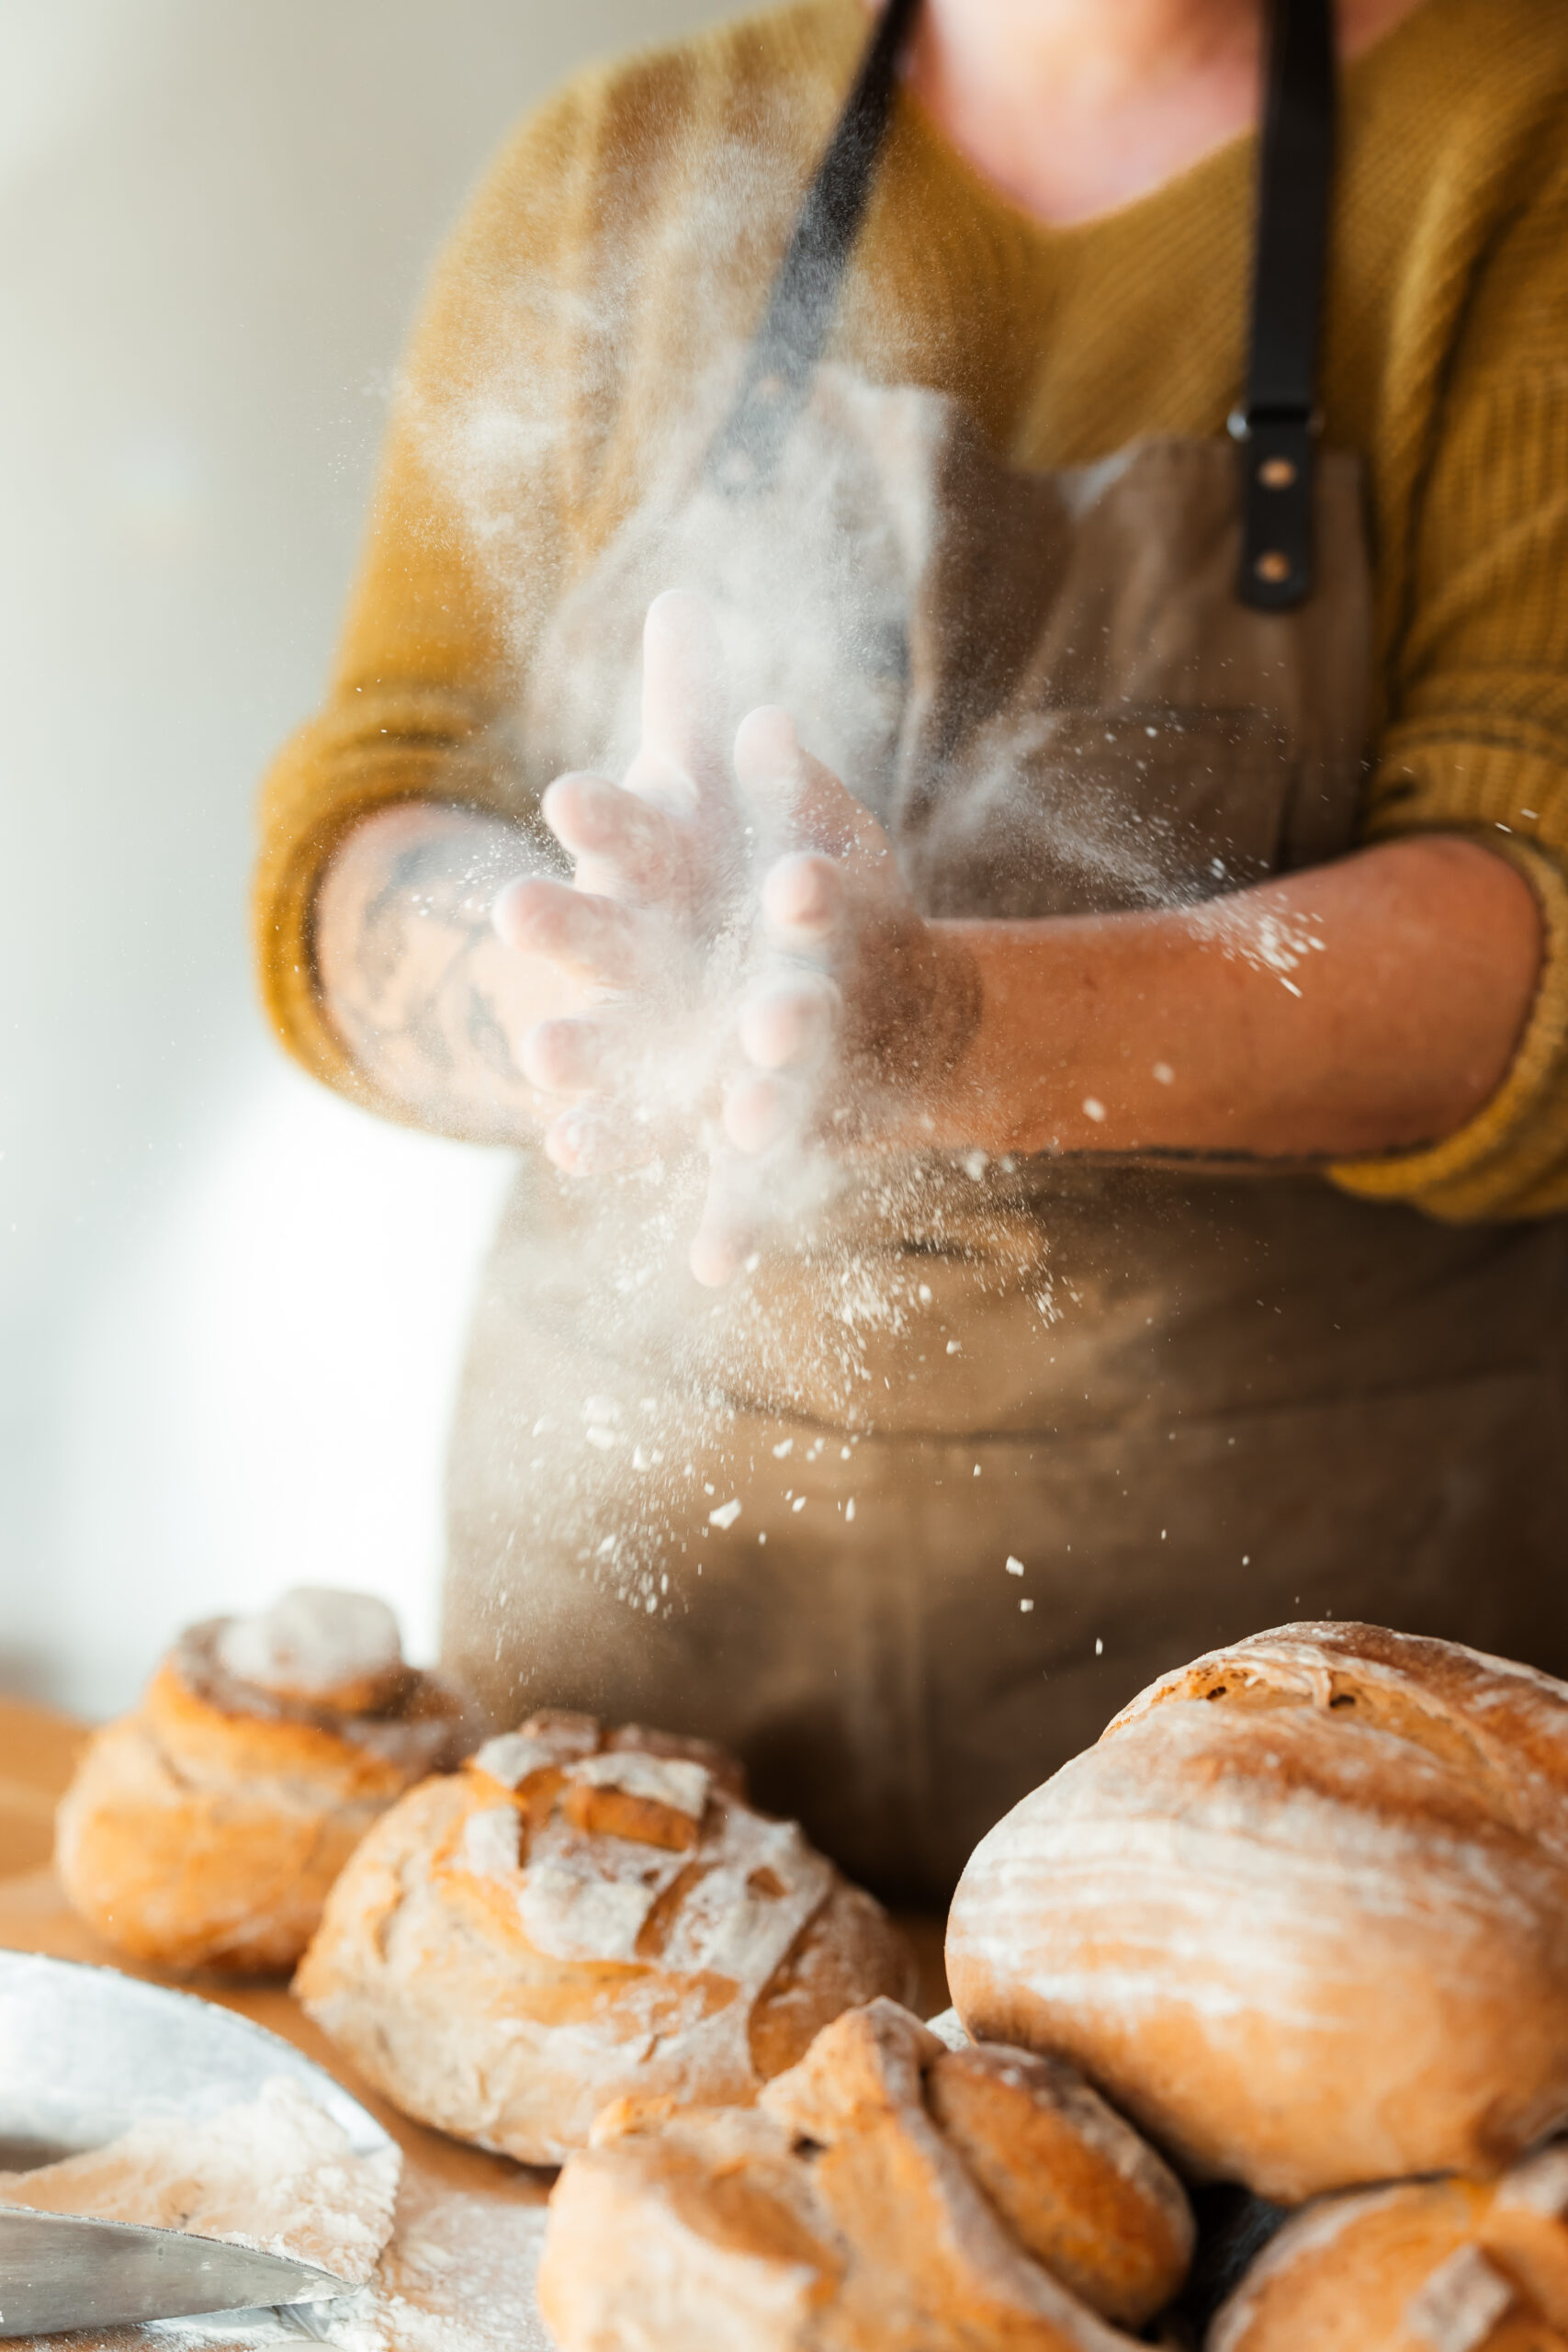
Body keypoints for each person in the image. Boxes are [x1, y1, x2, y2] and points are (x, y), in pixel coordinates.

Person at [255, 0, 1568, 1903]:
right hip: (631, 1729)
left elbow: (1530, 913)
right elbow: (367, 815)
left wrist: (941, 1027)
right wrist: (565, 980)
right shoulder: (617, 170)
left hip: (1289, 1794)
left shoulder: (1514, 151)